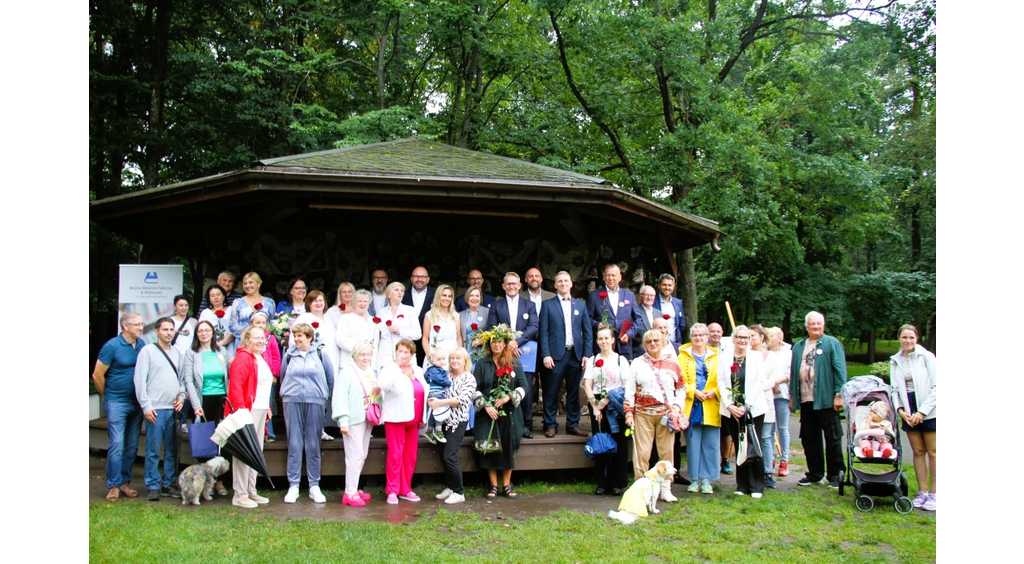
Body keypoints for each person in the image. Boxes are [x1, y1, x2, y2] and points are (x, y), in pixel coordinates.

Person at [625, 329, 687, 503]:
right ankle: (641, 489)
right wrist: (628, 412)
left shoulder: (673, 363)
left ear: (663, 342)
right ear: (644, 344)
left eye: (656, 341)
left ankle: (666, 489)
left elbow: (681, 389)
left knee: (666, 452)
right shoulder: (637, 363)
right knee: (642, 453)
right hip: (642, 414)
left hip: (666, 415)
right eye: (649, 341)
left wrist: (676, 407)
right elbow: (630, 390)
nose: (653, 344)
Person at [93, 311, 147, 502]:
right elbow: (97, 375)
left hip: (136, 403)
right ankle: (113, 485)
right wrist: (106, 396)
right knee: (117, 444)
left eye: (141, 324)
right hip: (117, 402)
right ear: (125, 326)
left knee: (131, 445)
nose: (140, 327)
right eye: (136, 324)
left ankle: (125, 482)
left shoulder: (141, 345)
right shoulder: (112, 346)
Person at [279, 322, 335, 504]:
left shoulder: (320, 354)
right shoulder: (289, 355)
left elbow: (330, 379)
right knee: (294, 442)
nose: (296, 339)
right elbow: (283, 377)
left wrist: (323, 398)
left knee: (313, 443)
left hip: (315, 401)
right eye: (294, 336)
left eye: (300, 336)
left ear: (309, 337)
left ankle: (314, 485)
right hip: (292, 401)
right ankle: (293, 485)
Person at [790, 311, 847, 488]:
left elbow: (840, 371)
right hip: (806, 400)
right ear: (806, 326)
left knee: (832, 438)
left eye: (819, 323)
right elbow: (794, 373)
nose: (816, 326)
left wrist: (839, 394)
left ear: (823, 325)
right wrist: (792, 397)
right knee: (809, 438)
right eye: (812, 324)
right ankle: (814, 474)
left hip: (827, 400)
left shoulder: (832, 343)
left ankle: (835, 475)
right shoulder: (799, 346)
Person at [472, 325, 529, 499]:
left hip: (509, 413)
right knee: (491, 448)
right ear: (489, 344)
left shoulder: (514, 363)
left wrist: (508, 397)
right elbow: (474, 388)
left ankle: (507, 484)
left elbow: (524, 386)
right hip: (488, 413)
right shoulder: (482, 363)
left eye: (500, 342)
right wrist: (486, 406)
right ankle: (493, 485)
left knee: (507, 446)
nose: (497, 345)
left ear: (505, 344)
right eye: (493, 342)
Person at [133, 317, 185, 501]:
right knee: (153, 450)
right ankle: (152, 484)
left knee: (171, 450)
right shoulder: (147, 352)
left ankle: (168, 483)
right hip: (155, 409)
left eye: (171, 329)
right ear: (157, 331)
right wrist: (146, 406)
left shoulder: (177, 353)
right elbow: (140, 380)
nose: (169, 333)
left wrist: (182, 398)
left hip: (173, 409)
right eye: (165, 329)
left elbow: (182, 380)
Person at [180, 319, 231, 496]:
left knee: (222, 440)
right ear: (196, 334)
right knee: (206, 441)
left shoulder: (221, 351)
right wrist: (196, 405)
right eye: (200, 331)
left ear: (212, 333)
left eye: (207, 330)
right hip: (203, 401)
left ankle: (220, 481)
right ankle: (207, 480)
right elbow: (189, 380)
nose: (204, 333)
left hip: (222, 400)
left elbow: (228, 375)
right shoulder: (191, 353)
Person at [538, 270, 592, 438]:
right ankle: (550, 424)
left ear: (571, 284)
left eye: (566, 281)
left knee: (573, 391)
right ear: (555, 285)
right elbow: (543, 332)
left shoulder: (580, 305)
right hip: (555, 356)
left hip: (576, 355)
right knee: (551, 391)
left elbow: (588, 332)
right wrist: (546, 354)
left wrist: (587, 354)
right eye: (559, 281)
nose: (563, 283)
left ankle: (573, 424)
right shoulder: (547, 305)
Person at [226, 326, 274, 509]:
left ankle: (251, 489)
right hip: (247, 410)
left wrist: (268, 406)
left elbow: (263, 387)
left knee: (256, 450)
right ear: (247, 340)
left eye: (262, 338)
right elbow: (236, 386)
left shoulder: (261, 357)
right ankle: (240, 494)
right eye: (256, 338)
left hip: (260, 409)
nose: (261, 341)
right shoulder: (243, 357)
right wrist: (241, 411)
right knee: (244, 451)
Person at [890, 324, 937, 511]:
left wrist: (922, 412)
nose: (908, 341)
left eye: (911, 337)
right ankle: (922, 492)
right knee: (918, 451)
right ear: (899, 339)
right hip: (908, 409)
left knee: (933, 452)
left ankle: (934, 493)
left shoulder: (927, 357)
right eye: (904, 337)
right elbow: (894, 390)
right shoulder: (895, 361)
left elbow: (937, 387)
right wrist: (901, 410)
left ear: (917, 338)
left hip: (929, 409)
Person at [488, 272, 540, 439]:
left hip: (524, 353)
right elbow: (491, 327)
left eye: (514, 284)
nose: (511, 286)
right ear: (503, 286)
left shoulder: (529, 305)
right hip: (502, 354)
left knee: (525, 389)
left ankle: (526, 425)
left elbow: (534, 326)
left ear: (519, 286)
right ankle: (505, 425)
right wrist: (507, 344)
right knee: (503, 387)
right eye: (508, 284)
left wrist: (517, 342)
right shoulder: (496, 305)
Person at [377, 339, 429, 504]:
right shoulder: (389, 369)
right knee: (395, 455)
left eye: (406, 352)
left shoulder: (418, 370)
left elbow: (424, 392)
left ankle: (405, 489)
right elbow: (383, 385)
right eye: (400, 351)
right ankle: (392, 490)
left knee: (410, 456)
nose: (402, 355)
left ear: (412, 355)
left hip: (414, 420)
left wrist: (423, 417)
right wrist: (396, 366)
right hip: (395, 418)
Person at [718, 325, 768, 498]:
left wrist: (747, 405)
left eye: (745, 337)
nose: (742, 340)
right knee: (739, 445)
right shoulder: (725, 358)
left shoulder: (756, 357)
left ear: (750, 340)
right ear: (734, 339)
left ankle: (757, 485)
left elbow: (760, 381)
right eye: (739, 337)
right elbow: (720, 382)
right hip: (732, 410)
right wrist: (729, 405)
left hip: (753, 409)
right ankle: (742, 485)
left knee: (754, 443)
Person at [332, 341, 381, 507]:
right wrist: (343, 421)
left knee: (362, 454)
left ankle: (354, 487)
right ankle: (350, 492)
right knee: (354, 455)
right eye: (362, 354)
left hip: (367, 419)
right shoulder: (347, 372)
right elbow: (340, 396)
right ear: (355, 355)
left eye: (368, 355)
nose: (366, 358)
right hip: (353, 419)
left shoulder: (370, 372)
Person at [582, 327, 630, 495]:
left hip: (616, 404)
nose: (603, 341)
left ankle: (618, 482)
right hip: (597, 405)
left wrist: (607, 399)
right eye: (600, 339)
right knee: (601, 442)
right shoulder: (593, 360)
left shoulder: (621, 360)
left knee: (619, 442)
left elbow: (625, 385)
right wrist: (595, 406)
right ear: (597, 341)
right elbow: (588, 385)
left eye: (606, 338)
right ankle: (602, 482)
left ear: (612, 340)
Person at [291, 290, 341, 440]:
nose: (318, 303)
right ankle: (315, 429)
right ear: (309, 303)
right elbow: (295, 341)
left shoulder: (328, 318)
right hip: (315, 362)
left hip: (332, 360)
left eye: (321, 300)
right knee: (317, 394)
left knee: (327, 394)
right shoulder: (305, 318)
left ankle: (322, 426)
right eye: (315, 301)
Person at [431, 347, 477, 505]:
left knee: (449, 456)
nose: (455, 361)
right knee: (442, 455)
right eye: (452, 358)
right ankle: (450, 487)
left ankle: (459, 491)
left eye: (458, 358)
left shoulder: (469, 378)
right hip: (441, 421)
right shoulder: (445, 375)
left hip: (458, 422)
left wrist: (440, 402)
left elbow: (462, 400)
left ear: (465, 361)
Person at [679, 323, 721, 495]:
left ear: (707, 337)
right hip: (692, 405)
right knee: (693, 443)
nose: (698, 338)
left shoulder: (717, 356)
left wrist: (714, 392)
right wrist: (693, 391)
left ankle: (708, 479)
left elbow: (723, 379)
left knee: (711, 443)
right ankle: (695, 479)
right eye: (695, 335)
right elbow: (679, 379)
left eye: (701, 335)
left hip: (711, 404)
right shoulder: (682, 356)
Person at [587, 264, 642, 359]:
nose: (610, 278)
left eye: (613, 275)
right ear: (604, 277)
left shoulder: (629, 295)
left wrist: (629, 334)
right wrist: (597, 324)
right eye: (608, 275)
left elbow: (639, 319)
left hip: (624, 345)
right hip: (603, 347)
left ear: (620, 277)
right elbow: (587, 319)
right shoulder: (594, 295)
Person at [749, 324, 780, 489]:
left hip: (765, 401)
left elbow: (771, 380)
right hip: (748, 402)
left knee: (766, 438)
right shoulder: (746, 354)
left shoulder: (772, 357)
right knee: (752, 437)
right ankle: (752, 473)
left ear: (762, 337)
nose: (750, 339)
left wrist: (756, 387)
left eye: (752, 336)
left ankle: (767, 472)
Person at [250, 311, 282, 442]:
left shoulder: (270, 338)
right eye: (257, 322)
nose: (261, 325)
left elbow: (276, 357)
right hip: (254, 377)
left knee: (268, 404)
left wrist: (274, 374)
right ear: (251, 324)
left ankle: (269, 433)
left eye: (263, 323)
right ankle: (256, 432)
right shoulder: (249, 338)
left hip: (267, 377)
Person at [376, 282, 422, 369]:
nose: (400, 293)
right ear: (389, 295)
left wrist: (400, 332)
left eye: (401, 291)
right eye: (396, 290)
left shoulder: (409, 310)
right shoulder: (381, 312)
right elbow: (376, 334)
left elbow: (417, 334)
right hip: (385, 354)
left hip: (404, 353)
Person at [766, 327, 792, 477]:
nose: (769, 338)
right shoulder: (764, 352)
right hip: (767, 394)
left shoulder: (787, 353)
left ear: (780, 338)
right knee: (769, 429)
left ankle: (784, 459)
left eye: (772, 335)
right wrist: (770, 384)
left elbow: (789, 373)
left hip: (782, 394)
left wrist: (775, 382)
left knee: (782, 427)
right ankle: (770, 459)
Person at [421, 284, 463, 369]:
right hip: (435, 356)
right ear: (438, 296)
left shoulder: (456, 316)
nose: (447, 298)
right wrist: (429, 356)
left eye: (449, 296)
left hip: (452, 355)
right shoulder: (429, 315)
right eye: (444, 295)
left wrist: (460, 355)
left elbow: (458, 337)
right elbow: (425, 338)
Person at [228, 272, 276, 342]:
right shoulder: (238, 302)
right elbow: (232, 325)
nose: (247, 286)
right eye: (245, 283)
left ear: (258, 284)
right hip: (244, 341)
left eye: (250, 282)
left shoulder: (269, 302)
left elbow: (272, 324)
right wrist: (251, 332)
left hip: (263, 341)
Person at [336, 289, 378, 370]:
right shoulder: (346, 318)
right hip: (350, 363)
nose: (362, 304)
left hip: (370, 365)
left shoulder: (373, 320)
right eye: (359, 301)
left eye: (365, 301)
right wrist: (362, 348)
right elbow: (341, 340)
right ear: (354, 303)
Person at [423, 348, 453, 443]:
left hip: (436, 391)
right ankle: (438, 431)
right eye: (439, 359)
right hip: (436, 392)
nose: (442, 361)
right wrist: (449, 383)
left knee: (435, 412)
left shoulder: (434, 370)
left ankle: (429, 431)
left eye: (443, 359)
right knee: (441, 410)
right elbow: (440, 379)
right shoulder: (434, 371)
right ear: (432, 361)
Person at [198, 284, 236, 360]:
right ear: (209, 298)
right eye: (212, 295)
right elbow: (201, 331)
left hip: (230, 347)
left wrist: (222, 342)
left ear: (224, 296)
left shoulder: (231, 310)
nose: (216, 297)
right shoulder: (205, 313)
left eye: (218, 294)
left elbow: (235, 329)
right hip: (211, 348)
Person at [459, 286, 491, 366]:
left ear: (480, 298)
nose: (474, 298)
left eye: (477, 296)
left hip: (483, 354)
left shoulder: (488, 312)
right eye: (471, 295)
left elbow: (492, 331)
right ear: (467, 297)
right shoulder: (460, 315)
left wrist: (482, 340)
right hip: (466, 354)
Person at [654, 274, 686, 347]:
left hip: (674, 342)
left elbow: (681, 324)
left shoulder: (678, 303)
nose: (667, 288)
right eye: (664, 285)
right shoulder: (653, 302)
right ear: (659, 285)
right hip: (656, 342)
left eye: (669, 285)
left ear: (673, 286)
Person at [402, 266, 436, 334]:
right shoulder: (402, 295)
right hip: (407, 337)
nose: (419, 279)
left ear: (428, 279)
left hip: (429, 336)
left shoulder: (435, 296)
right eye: (416, 276)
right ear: (411, 279)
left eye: (423, 277)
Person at [633, 286, 663, 359]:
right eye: (646, 295)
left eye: (652, 295)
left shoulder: (659, 313)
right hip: (640, 353)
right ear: (640, 297)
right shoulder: (634, 312)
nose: (649, 298)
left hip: (657, 352)